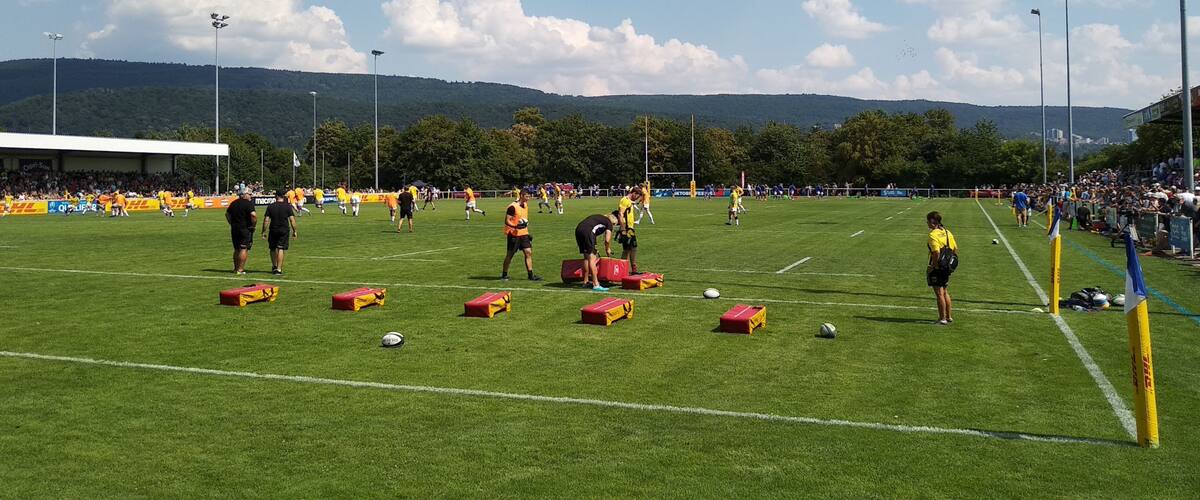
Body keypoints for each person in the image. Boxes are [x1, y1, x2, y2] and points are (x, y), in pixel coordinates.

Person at [501, 189, 541, 281]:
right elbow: (507, 221)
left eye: (529, 196)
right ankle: (504, 274)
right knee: (510, 255)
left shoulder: (525, 205)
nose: (529, 198)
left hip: (524, 233)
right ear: (522, 195)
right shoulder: (512, 207)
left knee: (528, 252)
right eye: (527, 196)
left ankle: (531, 275)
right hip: (514, 234)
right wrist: (516, 226)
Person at [926, 211, 958, 325]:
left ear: (932, 221)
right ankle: (949, 316)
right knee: (945, 291)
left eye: (928, 221)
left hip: (938, 266)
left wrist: (933, 266)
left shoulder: (933, 235)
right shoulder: (947, 232)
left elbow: (936, 252)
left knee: (939, 293)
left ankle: (942, 318)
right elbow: (955, 249)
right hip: (947, 265)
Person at [575, 212, 617, 292]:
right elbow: (607, 240)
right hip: (588, 232)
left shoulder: (600, 218)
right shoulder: (609, 223)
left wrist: (594, 247)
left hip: (578, 230)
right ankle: (596, 284)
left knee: (586, 257)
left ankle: (585, 281)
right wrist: (608, 249)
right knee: (592, 258)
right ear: (613, 222)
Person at [262, 190, 297, 275]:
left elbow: (266, 220)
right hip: (284, 229)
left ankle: (274, 266)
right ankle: (279, 269)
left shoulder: (270, 206)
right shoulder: (287, 206)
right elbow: (292, 220)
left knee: (273, 248)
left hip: (273, 229)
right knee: (280, 248)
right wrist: (295, 231)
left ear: (276, 196)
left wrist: (263, 231)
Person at [225, 189, 257, 275]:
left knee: (236, 249)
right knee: (244, 248)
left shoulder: (234, 203)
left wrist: (231, 223)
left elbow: (227, 214)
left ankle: (235, 268)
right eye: (250, 194)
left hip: (235, 228)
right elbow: (253, 215)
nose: (251, 196)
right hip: (245, 228)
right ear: (245, 194)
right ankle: (240, 269)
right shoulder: (248, 203)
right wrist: (253, 225)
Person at [617, 188, 643, 274]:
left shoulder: (629, 201)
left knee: (633, 247)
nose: (637, 198)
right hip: (626, 229)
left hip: (630, 229)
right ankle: (622, 270)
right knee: (627, 249)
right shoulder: (625, 200)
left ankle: (633, 269)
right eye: (637, 196)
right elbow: (620, 214)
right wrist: (623, 229)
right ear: (634, 193)